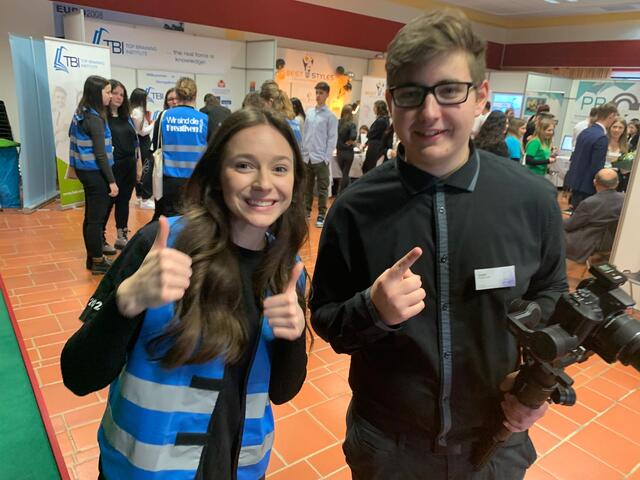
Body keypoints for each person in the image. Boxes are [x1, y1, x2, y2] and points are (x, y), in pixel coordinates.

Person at [310, 10, 566, 479]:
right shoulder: (354, 209)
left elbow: (552, 295)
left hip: (497, 440)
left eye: (449, 90)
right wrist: (373, 310)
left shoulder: (532, 200)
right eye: (411, 93)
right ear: (391, 102)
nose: (429, 113)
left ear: (481, 96)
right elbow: (326, 319)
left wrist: (535, 382)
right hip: (389, 445)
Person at [61, 107, 310, 480]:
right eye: (244, 165)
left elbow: (282, 392)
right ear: (217, 173)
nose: (264, 183)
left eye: (279, 168)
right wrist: (126, 303)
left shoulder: (286, 269)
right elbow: (77, 375)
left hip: (239, 469)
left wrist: (293, 337)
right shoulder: (159, 246)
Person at [69, 75, 118, 275]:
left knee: (90, 217)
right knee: (96, 219)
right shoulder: (94, 119)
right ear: (97, 94)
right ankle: (98, 261)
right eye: (107, 92)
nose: (110, 96)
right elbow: (100, 154)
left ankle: (93, 258)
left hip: (85, 170)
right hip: (94, 172)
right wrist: (112, 181)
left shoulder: (82, 113)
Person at [153, 77, 209, 221]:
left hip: (169, 180)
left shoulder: (164, 116)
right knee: (194, 220)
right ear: (195, 95)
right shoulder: (204, 119)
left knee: (171, 221)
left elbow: (156, 146)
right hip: (195, 180)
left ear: (177, 95)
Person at [105, 79, 141, 251]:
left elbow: (136, 144)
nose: (119, 97)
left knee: (124, 201)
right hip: (112, 167)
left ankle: (122, 235)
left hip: (129, 165)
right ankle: (101, 237)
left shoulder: (127, 118)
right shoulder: (102, 118)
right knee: (108, 202)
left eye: (122, 94)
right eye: (115, 93)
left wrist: (139, 166)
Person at [564, 102, 618, 210]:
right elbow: (597, 166)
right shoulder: (601, 137)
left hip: (576, 181)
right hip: (589, 186)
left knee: (577, 212)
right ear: (610, 116)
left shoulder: (585, 132)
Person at [564, 168, 625, 263]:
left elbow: (570, 225)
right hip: (612, 242)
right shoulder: (625, 199)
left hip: (587, 243)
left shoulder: (589, 203)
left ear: (595, 182)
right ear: (617, 183)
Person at [301, 81, 338, 228]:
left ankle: (322, 214)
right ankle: (307, 211)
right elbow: (305, 134)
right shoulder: (309, 113)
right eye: (316, 92)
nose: (318, 95)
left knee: (323, 188)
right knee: (307, 187)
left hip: (320, 158)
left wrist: (326, 158)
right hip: (307, 157)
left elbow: (332, 138)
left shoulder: (330, 116)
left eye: (321, 93)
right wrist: (303, 152)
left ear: (327, 94)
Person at [130, 88, 155, 210]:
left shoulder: (133, 110)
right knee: (145, 168)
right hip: (142, 141)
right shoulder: (138, 111)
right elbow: (142, 132)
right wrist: (153, 124)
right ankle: (145, 197)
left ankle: (140, 196)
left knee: (140, 168)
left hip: (139, 141)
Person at [259, 81, 302, 146]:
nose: (262, 108)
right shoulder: (293, 122)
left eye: (263, 104)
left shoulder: (276, 124)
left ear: (270, 102)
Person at [362, 100, 391, 174]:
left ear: (378, 108)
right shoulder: (385, 119)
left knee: (368, 168)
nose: (373, 109)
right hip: (377, 145)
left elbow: (371, 134)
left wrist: (368, 134)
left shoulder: (381, 120)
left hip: (375, 147)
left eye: (374, 107)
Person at [336, 104, 358, 194]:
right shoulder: (352, 124)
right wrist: (350, 141)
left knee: (343, 173)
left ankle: (344, 192)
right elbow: (353, 136)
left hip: (339, 151)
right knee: (345, 174)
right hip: (348, 152)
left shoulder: (337, 122)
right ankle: (342, 193)